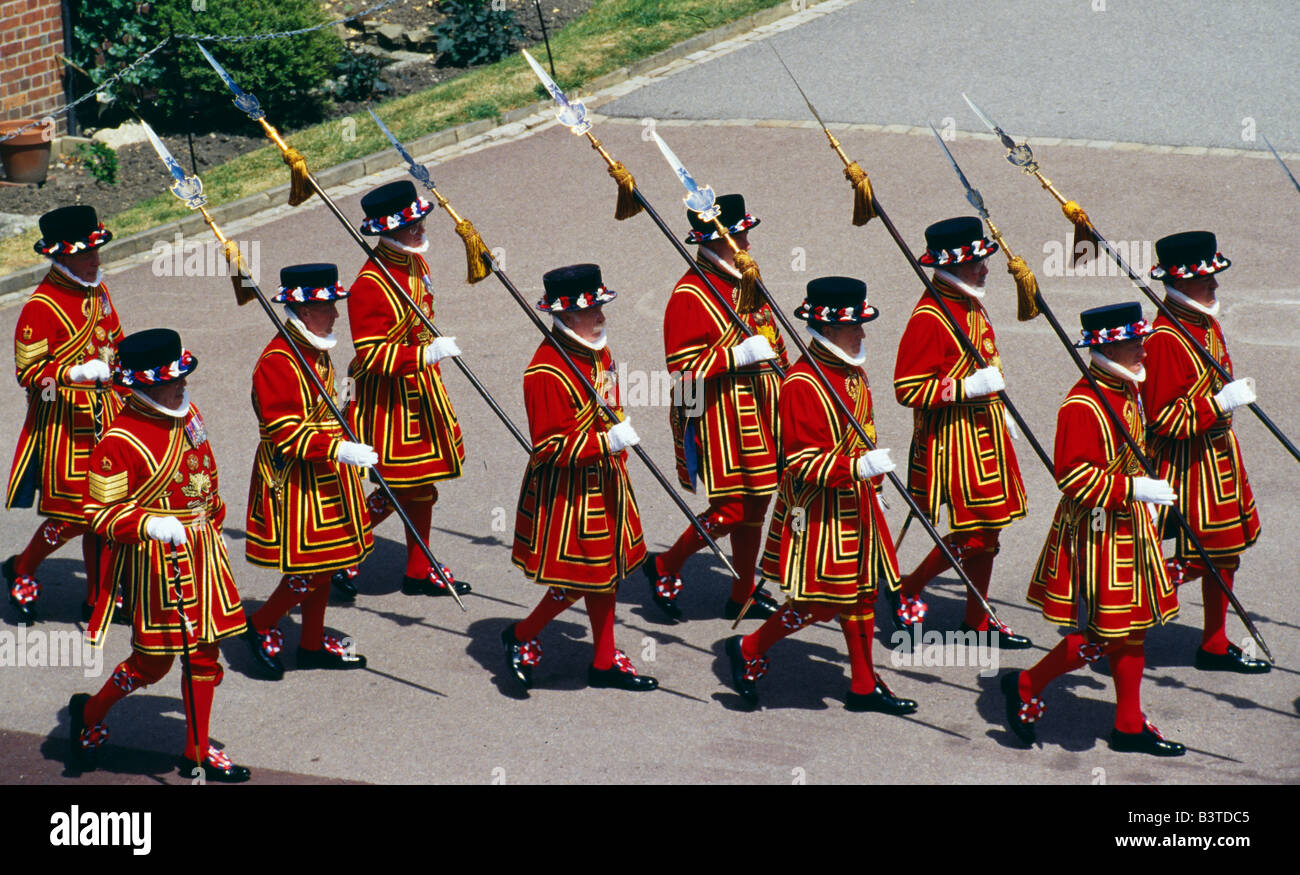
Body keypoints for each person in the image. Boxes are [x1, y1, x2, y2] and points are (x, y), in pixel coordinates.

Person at [724, 277, 916, 714]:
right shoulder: (803, 383)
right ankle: (751, 647)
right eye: (855, 327)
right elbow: (801, 461)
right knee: (819, 601)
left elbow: (862, 432)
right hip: (818, 511)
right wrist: (856, 467)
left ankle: (864, 686)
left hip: (856, 502)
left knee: (862, 594)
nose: (862, 334)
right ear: (829, 331)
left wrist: (875, 480)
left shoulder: (850, 370)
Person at [1006, 303, 1184, 757]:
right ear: (1108, 348)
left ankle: (1127, 723)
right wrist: (1134, 489)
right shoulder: (1082, 404)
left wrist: (1150, 492)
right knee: (1104, 633)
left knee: (1134, 627)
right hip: (1098, 531)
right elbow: (1072, 477)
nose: (1144, 350)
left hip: (1131, 527)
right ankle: (1027, 683)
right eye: (1133, 344)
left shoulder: (1126, 390)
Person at [72, 328, 252, 781]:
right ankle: (91, 713)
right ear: (142, 386)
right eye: (170, 382)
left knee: (206, 653)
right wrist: (149, 523)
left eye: (182, 378)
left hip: (202, 549)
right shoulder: (118, 440)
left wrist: (212, 520)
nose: (181, 386)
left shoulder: (187, 413)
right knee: (153, 662)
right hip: (156, 560)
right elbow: (98, 513)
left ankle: (197, 748)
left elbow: (204, 470)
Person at [502, 264, 657, 693]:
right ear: (567, 318)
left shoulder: (597, 352)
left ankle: (604, 660)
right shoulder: (545, 372)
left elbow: (610, 402)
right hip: (568, 492)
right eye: (593, 311)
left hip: (605, 479)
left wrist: (615, 441)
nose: (602, 318)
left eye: (601, 308)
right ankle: (522, 634)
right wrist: (605, 442)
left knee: (605, 572)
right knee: (580, 577)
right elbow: (548, 448)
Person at [890, 216, 1031, 648]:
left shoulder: (967, 299)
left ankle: (977, 617)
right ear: (952, 266)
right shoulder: (930, 315)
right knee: (975, 533)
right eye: (975, 263)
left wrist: (996, 404)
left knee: (991, 532)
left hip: (985, 431)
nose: (985, 268)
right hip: (953, 440)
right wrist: (965, 388)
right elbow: (907, 387)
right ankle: (909, 588)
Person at [648, 193, 786, 622]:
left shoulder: (745, 275)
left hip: (764, 407)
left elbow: (771, 334)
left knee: (758, 504)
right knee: (731, 508)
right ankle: (666, 564)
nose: (746, 240)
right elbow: (682, 370)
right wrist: (736, 356)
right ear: (718, 239)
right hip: (719, 413)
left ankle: (741, 591)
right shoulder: (690, 293)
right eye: (739, 234)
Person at [243, 264, 377, 678]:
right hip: (295, 479)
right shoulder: (278, 361)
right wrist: (338, 447)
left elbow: (332, 406)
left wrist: (350, 418)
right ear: (303, 310)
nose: (336, 314)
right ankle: (262, 622)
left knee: (328, 562)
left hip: (326, 472)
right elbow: (286, 433)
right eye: (327, 306)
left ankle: (312, 643)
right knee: (310, 568)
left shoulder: (315, 349)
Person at [1142, 232, 1267, 673]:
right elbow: (1161, 418)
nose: (1214, 283)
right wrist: (1218, 404)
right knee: (1204, 555)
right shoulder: (1164, 338)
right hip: (1188, 464)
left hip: (1218, 457)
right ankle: (1139, 592)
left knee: (1226, 551)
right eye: (1204, 277)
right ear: (1180, 282)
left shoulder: (1202, 321)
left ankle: (1214, 643)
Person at [346, 180, 470, 599]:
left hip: (421, 391)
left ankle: (419, 568)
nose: (420, 229)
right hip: (389, 401)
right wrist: (425, 356)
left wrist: (428, 356)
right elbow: (371, 355)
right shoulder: (369, 284)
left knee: (420, 487)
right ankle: (339, 548)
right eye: (410, 224)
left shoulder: (416, 262)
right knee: (406, 487)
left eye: (419, 220)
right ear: (390, 230)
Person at [5, 206, 124, 625]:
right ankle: (22, 567)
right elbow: (29, 373)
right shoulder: (41, 305)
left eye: (96, 251)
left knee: (106, 512)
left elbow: (116, 343)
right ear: (63, 256)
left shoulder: (98, 290)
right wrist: (72, 373)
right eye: (87, 254)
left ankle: (96, 598)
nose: (96, 260)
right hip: (62, 425)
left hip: (106, 416)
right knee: (73, 515)